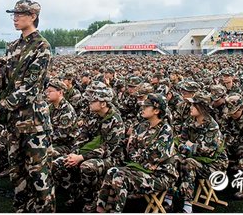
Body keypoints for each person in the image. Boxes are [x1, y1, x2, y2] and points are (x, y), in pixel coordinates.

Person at [0, 0, 55, 213]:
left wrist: (1, 106)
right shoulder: (13, 46)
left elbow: (31, 88)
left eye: (20, 14)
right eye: (13, 14)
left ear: (33, 16)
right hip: (15, 122)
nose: (15, 18)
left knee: (39, 177)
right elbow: (2, 82)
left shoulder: (42, 46)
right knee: (17, 175)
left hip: (34, 123)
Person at [96, 93, 176, 213]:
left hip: (160, 175)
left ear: (156, 111)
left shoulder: (165, 131)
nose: (142, 109)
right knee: (111, 171)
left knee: (119, 176)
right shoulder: (141, 126)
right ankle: (100, 209)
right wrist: (139, 154)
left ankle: (115, 211)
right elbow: (131, 149)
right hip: (141, 168)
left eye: (146, 106)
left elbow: (153, 157)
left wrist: (138, 155)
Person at [53, 81, 125, 212]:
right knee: (60, 163)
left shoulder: (116, 121)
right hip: (89, 152)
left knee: (87, 166)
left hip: (112, 157)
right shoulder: (93, 116)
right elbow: (82, 136)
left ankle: (91, 199)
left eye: (93, 101)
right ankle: (75, 193)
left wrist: (81, 157)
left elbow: (108, 149)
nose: (89, 104)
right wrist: (74, 153)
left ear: (103, 104)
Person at [169, 91, 228, 213]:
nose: (190, 108)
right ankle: (168, 198)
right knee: (173, 160)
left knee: (188, 163)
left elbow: (207, 152)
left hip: (214, 164)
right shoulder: (190, 121)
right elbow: (181, 140)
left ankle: (187, 205)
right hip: (196, 159)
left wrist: (189, 146)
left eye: (193, 105)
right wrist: (187, 146)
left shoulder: (212, 126)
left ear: (202, 108)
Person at [45, 78, 79, 158]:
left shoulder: (67, 111)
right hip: (52, 142)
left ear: (60, 92)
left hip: (65, 146)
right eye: (47, 91)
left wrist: (42, 139)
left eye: (50, 91)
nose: (47, 94)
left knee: (42, 152)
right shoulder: (51, 107)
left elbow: (61, 135)